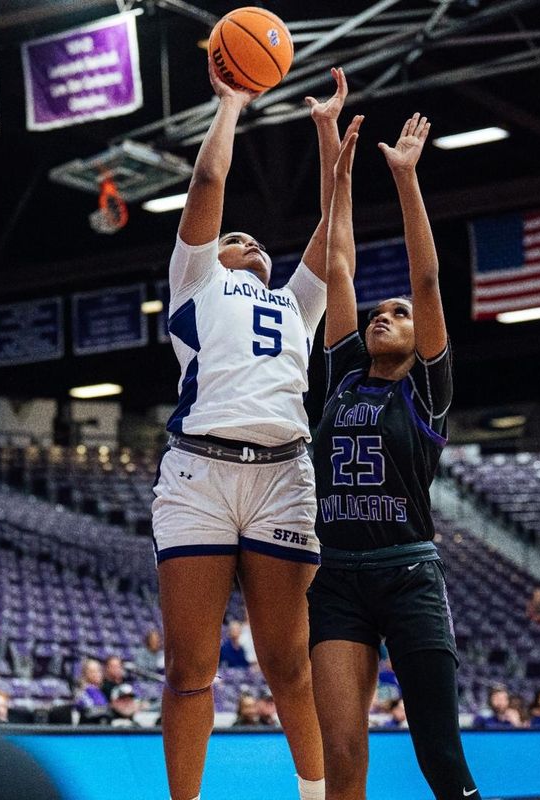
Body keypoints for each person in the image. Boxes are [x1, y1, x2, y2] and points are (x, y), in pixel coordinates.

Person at [151, 61, 352, 800]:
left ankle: (316, 795)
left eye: (259, 241)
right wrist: (232, 104)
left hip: (280, 477)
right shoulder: (196, 280)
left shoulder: (296, 303)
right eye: (237, 238)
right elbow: (207, 188)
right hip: (200, 476)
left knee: (289, 663)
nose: (251, 242)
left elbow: (334, 234)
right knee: (189, 670)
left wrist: (331, 142)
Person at [306, 110, 477, 800]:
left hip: (408, 575)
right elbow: (337, 260)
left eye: (398, 313)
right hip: (336, 580)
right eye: (380, 311)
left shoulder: (428, 390)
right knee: (343, 753)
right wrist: (334, 155)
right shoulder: (344, 373)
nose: (385, 314)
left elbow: (428, 281)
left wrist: (405, 179)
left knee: (438, 748)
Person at [75, 658, 110, 725]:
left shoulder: (99, 692)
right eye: (93, 671)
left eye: (99, 671)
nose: (97, 674)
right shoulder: (84, 692)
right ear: (85, 674)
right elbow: (90, 712)